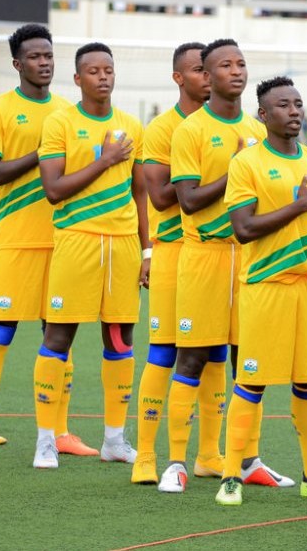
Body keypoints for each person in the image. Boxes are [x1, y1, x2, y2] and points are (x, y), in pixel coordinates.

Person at [162, 38, 290, 493]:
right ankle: (176, 461)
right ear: (207, 74)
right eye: (225, 65)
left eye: (241, 63)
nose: (236, 71)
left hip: (252, 263)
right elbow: (189, 201)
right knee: (193, 356)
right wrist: (234, 167)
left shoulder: (260, 130)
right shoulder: (191, 130)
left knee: (248, 362)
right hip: (205, 256)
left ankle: (246, 458)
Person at [0, 24, 96, 461]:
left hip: (63, 242)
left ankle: (60, 432)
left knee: (59, 337)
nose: (45, 62)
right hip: (13, 242)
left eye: (49, 55)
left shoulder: (68, 112)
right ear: (18, 64)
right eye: (36, 57)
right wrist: (38, 154)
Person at [32, 42, 146, 469]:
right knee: (57, 338)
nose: (103, 77)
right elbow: (54, 190)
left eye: (109, 70)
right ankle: (46, 439)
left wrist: (147, 248)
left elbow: (140, 194)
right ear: (78, 79)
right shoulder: (61, 123)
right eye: (94, 71)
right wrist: (106, 159)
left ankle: (114, 439)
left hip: (123, 248)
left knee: (120, 341)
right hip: (76, 241)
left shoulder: (132, 125)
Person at [216, 76, 307, 506]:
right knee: (252, 382)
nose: (294, 111)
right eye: (283, 105)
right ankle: (231, 476)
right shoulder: (248, 164)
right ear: (263, 116)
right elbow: (243, 229)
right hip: (266, 286)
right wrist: (298, 205)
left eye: (298, 103)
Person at [132, 42, 222, 485]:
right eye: (198, 70)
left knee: (216, 352)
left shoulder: (236, 125)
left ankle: (210, 454)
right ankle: (146, 456)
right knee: (167, 352)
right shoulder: (164, 128)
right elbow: (164, 196)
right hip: (174, 251)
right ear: (179, 78)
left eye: (212, 69)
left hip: (222, 254)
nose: (208, 77)